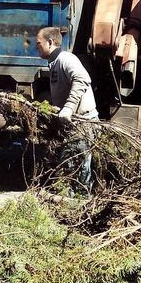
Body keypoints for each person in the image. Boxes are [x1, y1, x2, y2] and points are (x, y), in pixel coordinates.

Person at [34, 26, 98, 193]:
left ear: (50, 42)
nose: (36, 47)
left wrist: (69, 107)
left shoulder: (66, 59)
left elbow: (83, 79)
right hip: (74, 123)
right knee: (71, 165)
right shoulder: (54, 63)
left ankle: (79, 203)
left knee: (78, 167)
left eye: (38, 43)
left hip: (83, 122)